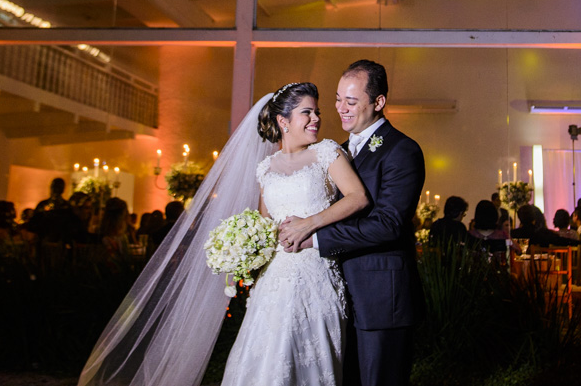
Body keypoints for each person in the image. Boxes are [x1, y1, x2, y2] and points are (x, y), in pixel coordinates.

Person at [79, 82, 369, 386]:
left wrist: (309, 223)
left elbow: (358, 197)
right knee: (266, 363)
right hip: (273, 282)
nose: (316, 119)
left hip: (315, 274)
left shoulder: (326, 153)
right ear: (283, 120)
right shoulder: (266, 168)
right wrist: (243, 253)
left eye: (317, 112)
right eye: (307, 112)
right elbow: (264, 224)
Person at [280, 59, 426, 386]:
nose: (340, 108)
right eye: (337, 99)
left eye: (350, 101)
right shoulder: (339, 152)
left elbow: (388, 224)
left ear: (378, 102)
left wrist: (315, 237)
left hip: (382, 299)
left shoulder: (402, 150)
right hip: (337, 297)